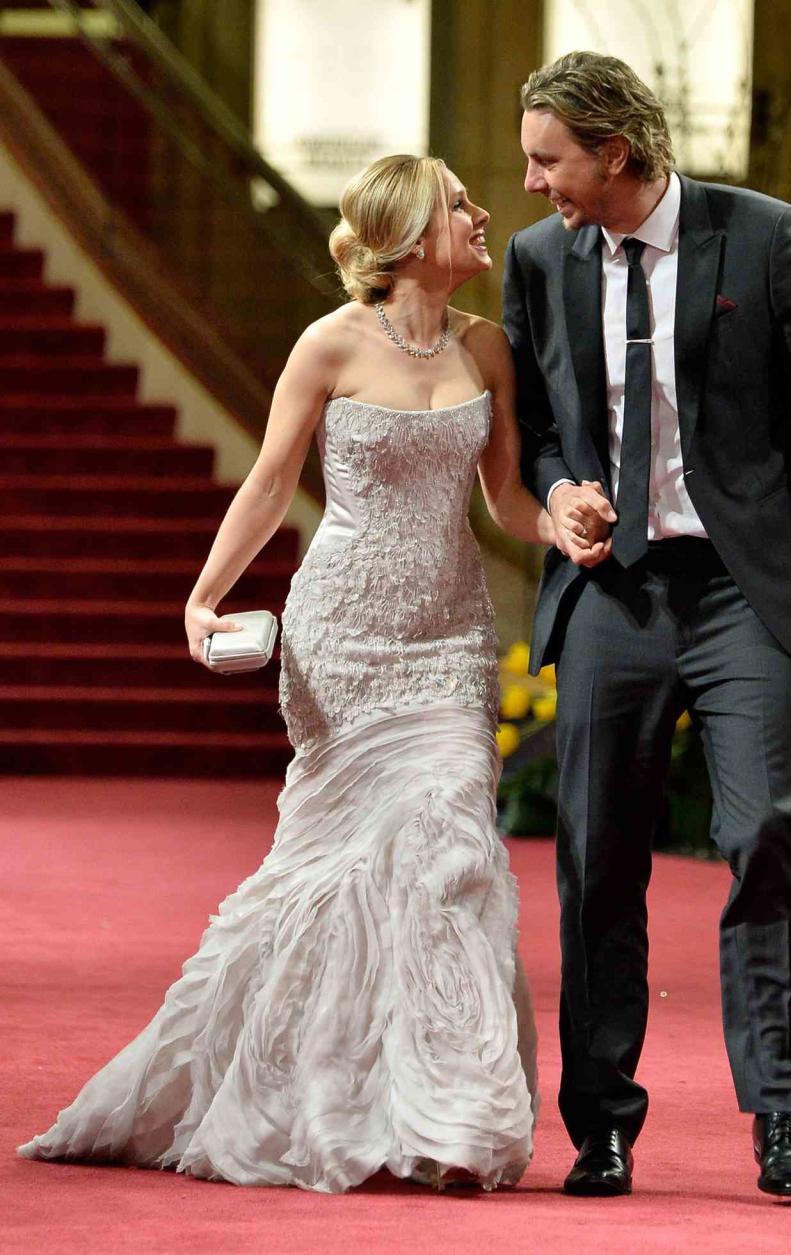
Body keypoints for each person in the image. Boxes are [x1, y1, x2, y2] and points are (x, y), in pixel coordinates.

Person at [18, 154, 602, 1193]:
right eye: (460, 205)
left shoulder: (488, 349)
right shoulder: (327, 344)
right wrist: (204, 594)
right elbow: (271, 477)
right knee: (327, 875)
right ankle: (309, 1092)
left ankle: (448, 1113)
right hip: (342, 636)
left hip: (448, 638)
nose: (481, 217)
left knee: (450, 854)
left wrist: (563, 526)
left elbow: (505, 496)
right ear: (412, 234)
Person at [502, 51, 791, 1200]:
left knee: (766, 832)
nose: (532, 184)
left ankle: (780, 1111)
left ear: (614, 153)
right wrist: (559, 490)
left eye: (550, 160)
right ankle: (603, 1126)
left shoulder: (765, 236)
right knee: (595, 854)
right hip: (612, 592)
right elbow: (532, 424)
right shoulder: (541, 263)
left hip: (742, 588)